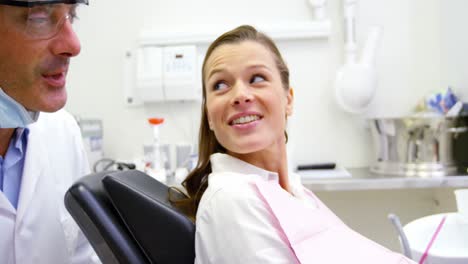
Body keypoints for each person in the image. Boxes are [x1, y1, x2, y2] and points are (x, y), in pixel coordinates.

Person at [177, 25, 415, 263]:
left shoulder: (292, 191)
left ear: (288, 99)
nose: (240, 94)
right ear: (209, 114)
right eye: (220, 85)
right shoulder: (232, 199)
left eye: (256, 78)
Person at [0, 0, 99, 263]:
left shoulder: (63, 133)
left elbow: (82, 255)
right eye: (40, 17)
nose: (73, 44)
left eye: (71, 15)